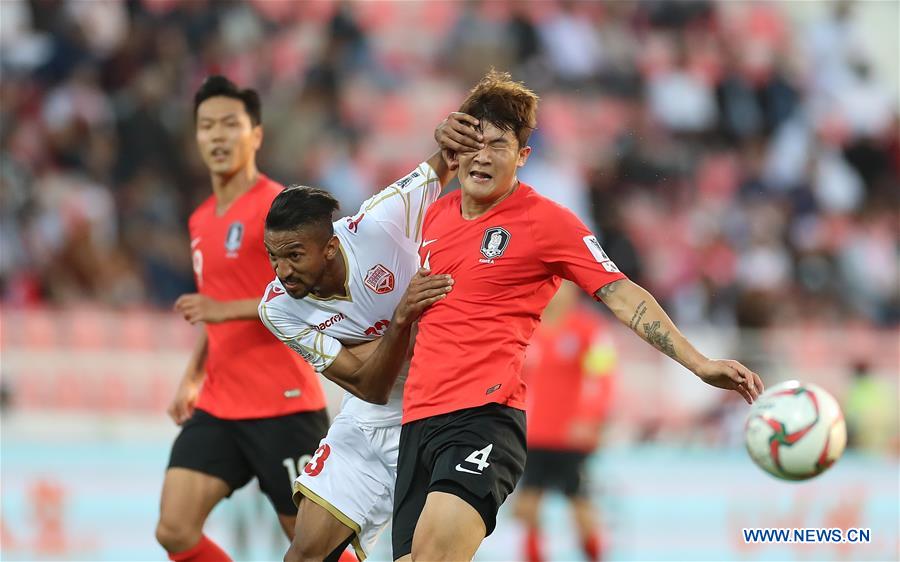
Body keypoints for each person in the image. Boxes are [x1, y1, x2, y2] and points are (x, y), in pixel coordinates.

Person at [391, 70, 765, 561]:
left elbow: (622, 295)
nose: (483, 156)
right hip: (418, 420)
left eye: (499, 144)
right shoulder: (432, 216)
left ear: (522, 157)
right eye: (474, 142)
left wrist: (699, 364)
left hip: (484, 420)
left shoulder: (546, 222)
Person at [257, 115, 480, 562]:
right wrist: (404, 320)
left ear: (331, 246)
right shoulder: (277, 307)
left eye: (294, 255)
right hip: (366, 421)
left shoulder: (381, 221)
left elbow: (449, 158)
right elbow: (370, 387)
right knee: (302, 557)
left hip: (435, 414)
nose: (282, 271)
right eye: (272, 257)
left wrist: (451, 131)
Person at [155, 76, 329, 562]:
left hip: (284, 405)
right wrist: (192, 377)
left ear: (256, 135)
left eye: (230, 124)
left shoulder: (281, 209)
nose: (217, 135)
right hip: (220, 404)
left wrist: (222, 309)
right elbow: (215, 309)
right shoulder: (199, 219)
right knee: (175, 527)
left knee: (317, 547)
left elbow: (311, 296)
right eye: (206, 125)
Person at [514, 281, 617, 562]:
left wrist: (592, 419)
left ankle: (595, 554)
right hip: (533, 435)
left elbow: (603, 378)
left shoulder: (588, 329)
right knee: (526, 508)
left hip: (572, 435)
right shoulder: (528, 327)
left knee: (580, 507)